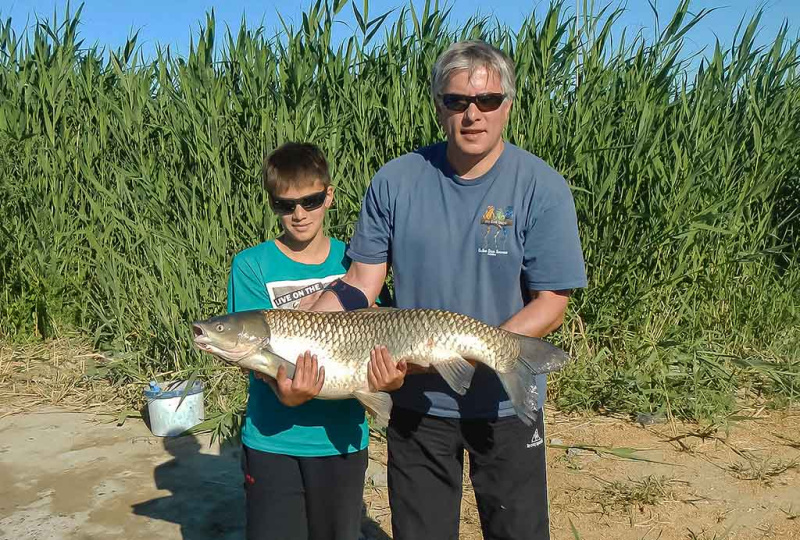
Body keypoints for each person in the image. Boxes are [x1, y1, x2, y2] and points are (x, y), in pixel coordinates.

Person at [311, 40, 587, 540]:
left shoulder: (542, 188)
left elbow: (551, 304)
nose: (473, 115)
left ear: (508, 104)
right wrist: (305, 323)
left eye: (487, 101)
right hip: (416, 403)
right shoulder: (396, 180)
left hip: (504, 405)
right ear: (439, 105)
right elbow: (359, 284)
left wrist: (482, 352)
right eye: (457, 101)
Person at [227, 142, 370, 540]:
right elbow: (252, 356)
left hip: (340, 438)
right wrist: (285, 391)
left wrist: (387, 381)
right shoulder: (251, 265)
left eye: (309, 200)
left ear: (330, 195)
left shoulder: (357, 263)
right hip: (273, 438)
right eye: (285, 205)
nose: (299, 214)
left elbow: (381, 330)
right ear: (273, 204)